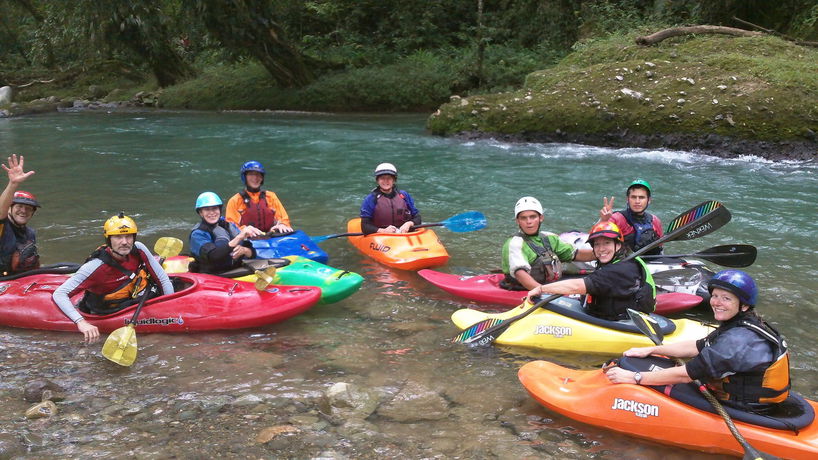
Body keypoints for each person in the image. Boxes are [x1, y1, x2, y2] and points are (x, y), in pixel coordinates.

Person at [604, 270, 790, 414]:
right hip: (753, 399)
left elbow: (686, 374)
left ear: (744, 305)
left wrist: (635, 378)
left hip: (744, 408)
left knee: (646, 380)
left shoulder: (737, 340)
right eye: (715, 296)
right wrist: (651, 350)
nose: (717, 302)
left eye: (726, 299)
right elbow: (698, 346)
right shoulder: (743, 323)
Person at [52, 213, 175, 343]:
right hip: (111, 308)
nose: (125, 242)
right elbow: (60, 294)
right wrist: (81, 322)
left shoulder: (138, 249)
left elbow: (162, 278)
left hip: (134, 295)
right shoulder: (94, 266)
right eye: (118, 237)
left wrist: (171, 308)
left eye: (128, 236)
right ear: (108, 240)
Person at [527, 221, 656, 320]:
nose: (601, 249)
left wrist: (541, 289)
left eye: (606, 243)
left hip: (623, 324)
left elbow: (577, 286)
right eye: (597, 244)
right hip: (610, 316)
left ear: (618, 245)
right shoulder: (621, 259)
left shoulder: (621, 269)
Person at [502, 196, 596, 291]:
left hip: (547, 284)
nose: (529, 222)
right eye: (523, 218)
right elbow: (520, 274)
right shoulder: (515, 243)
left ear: (541, 218)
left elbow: (575, 254)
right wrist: (545, 291)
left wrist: (601, 254)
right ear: (517, 221)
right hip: (525, 289)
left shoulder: (549, 237)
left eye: (533, 217)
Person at [190, 191, 261, 274]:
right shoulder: (198, 234)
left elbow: (253, 253)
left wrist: (244, 250)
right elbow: (214, 256)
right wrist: (239, 238)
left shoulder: (228, 225)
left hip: (235, 270)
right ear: (201, 213)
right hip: (212, 275)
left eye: (214, 208)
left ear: (219, 210)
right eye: (207, 209)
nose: (212, 212)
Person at [598, 179, 663, 255]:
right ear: (627, 199)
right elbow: (597, 241)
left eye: (641, 197)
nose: (637, 201)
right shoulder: (616, 218)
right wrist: (604, 220)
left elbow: (660, 248)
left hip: (650, 262)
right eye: (633, 197)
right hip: (624, 262)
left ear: (649, 200)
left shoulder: (655, 221)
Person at [225, 161, 292, 234]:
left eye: (258, 174)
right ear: (244, 177)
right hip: (247, 239)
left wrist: (282, 225)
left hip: (271, 236)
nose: (255, 178)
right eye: (251, 174)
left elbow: (283, 219)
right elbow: (232, 227)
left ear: (262, 178)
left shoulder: (271, 196)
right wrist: (244, 230)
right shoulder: (235, 200)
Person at [0, 154, 40, 275]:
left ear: (32, 213)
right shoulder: (3, 228)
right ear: (9, 209)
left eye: (28, 208)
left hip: (20, 281)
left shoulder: (30, 233)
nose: (23, 211)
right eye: (19, 207)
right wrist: (13, 184)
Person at [359, 162, 421, 235]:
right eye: (382, 178)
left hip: (404, 233)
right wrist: (383, 231)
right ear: (377, 180)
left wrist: (409, 224)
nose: (386, 181)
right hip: (381, 235)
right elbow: (365, 226)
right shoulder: (371, 199)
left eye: (389, 178)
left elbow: (418, 218)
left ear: (394, 180)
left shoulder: (404, 195)